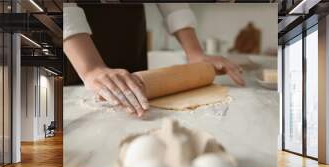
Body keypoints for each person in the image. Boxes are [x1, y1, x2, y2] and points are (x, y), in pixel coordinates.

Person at [63, 3, 244, 117]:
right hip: (74, 45)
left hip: (129, 24)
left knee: (133, 94)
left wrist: (195, 52)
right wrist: (91, 67)